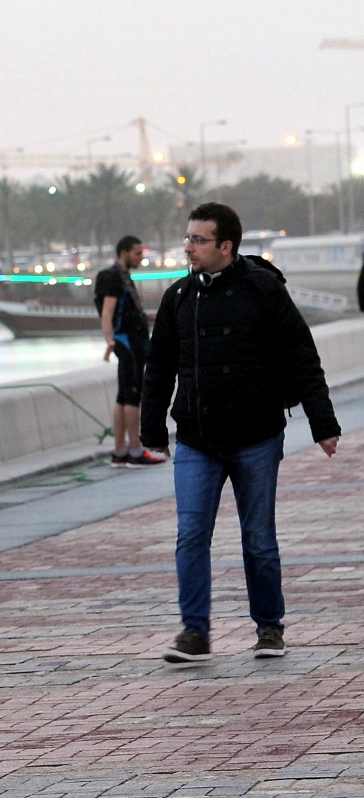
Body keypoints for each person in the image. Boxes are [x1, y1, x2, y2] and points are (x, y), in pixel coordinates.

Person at [141, 202, 341, 664]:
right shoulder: (178, 298)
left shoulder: (264, 289)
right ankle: (195, 633)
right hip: (196, 437)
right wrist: (153, 430)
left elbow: (301, 356)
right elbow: (158, 371)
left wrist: (323, 425)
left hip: (256, 436)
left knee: (258, 538)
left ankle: (269, 628)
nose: (189, 248)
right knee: (191, 534)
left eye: (199, 240)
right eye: (188, 238)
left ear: (226, 246)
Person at [95, 235, 165, 468]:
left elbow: (130, 311)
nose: (141, 258)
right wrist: (110, 341)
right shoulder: (114, 278)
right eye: (137, 253)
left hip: (131, 342)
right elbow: (107, 312)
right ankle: (135, 450)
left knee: (123, 395)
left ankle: (120, 450)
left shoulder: (123, 277)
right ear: (124, 252)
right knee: (133, 395)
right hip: (127, 344)